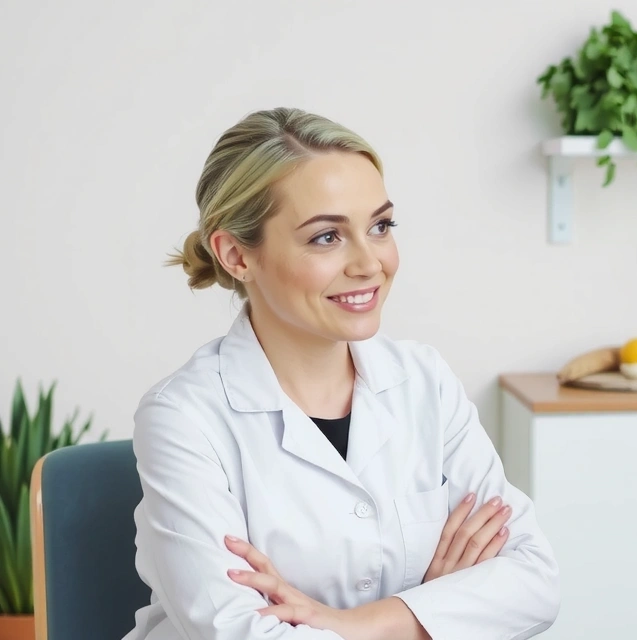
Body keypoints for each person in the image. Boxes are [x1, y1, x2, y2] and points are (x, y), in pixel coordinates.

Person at [124, 107, 559, 640]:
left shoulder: (424, 381)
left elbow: (534, 582)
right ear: (236, 254)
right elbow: (241, 634)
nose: (369, 263)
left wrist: (350, 623)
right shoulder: (182, 417)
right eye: (327, 237)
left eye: (380, 227)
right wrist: (432, 614)